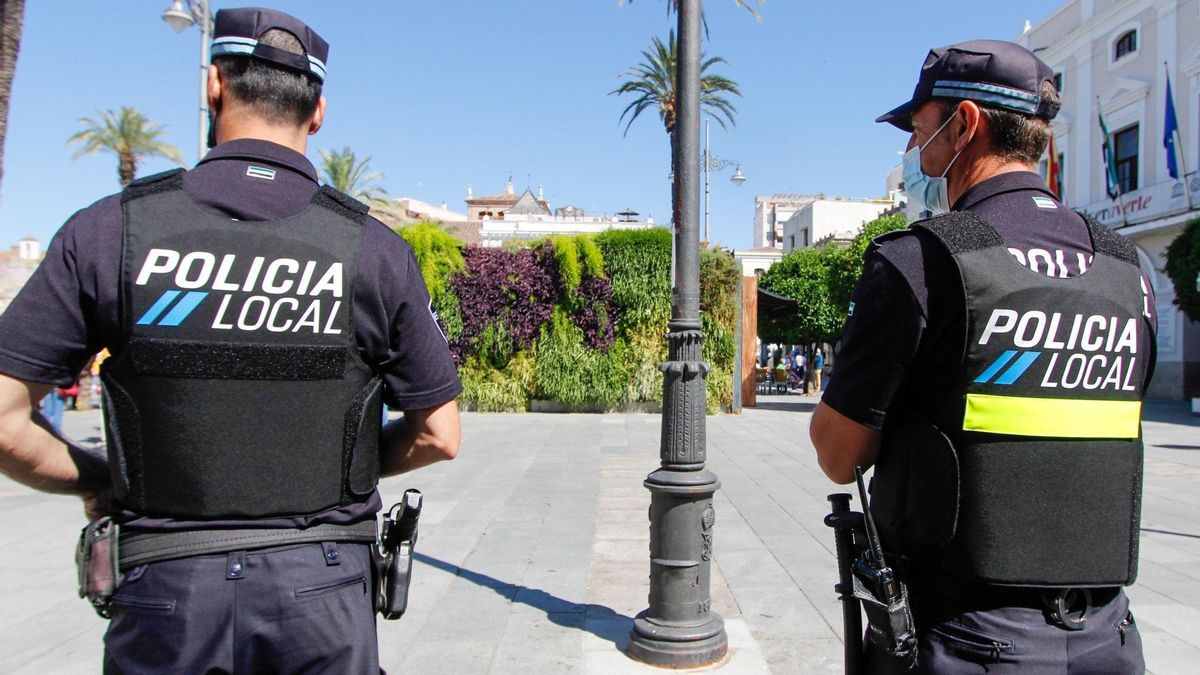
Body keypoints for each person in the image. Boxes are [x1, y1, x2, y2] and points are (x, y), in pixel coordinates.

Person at [0, 8, 462, 673]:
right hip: (323, 593)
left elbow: (6, 417)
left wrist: (106, 480)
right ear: (319, 111)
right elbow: (439, 434)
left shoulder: (112, 232)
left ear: (213, 86)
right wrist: (345, 464)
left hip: (166, 590)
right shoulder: (373, 251)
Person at [810, 40, 1154, 673]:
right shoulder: (1125, 267)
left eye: (918, 132)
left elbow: (837, 454)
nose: (914, 153)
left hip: (967, 639)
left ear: (964, 123)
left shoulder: (920, 261)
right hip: (1109, 636)